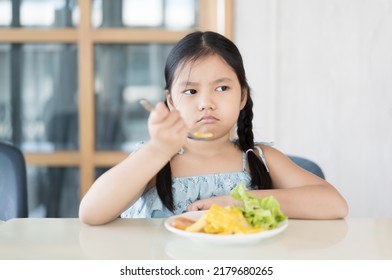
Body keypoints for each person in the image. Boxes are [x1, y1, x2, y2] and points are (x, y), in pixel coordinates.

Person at [79, 31, 348, 225]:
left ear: (242, 96)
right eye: (191, 91)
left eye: (222, 88)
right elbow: (91, 213)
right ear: (171, 101)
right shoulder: (157, 161)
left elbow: (334, 204)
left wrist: (239, 202)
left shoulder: (259, 159)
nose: (206, 103)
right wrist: (158, 150)